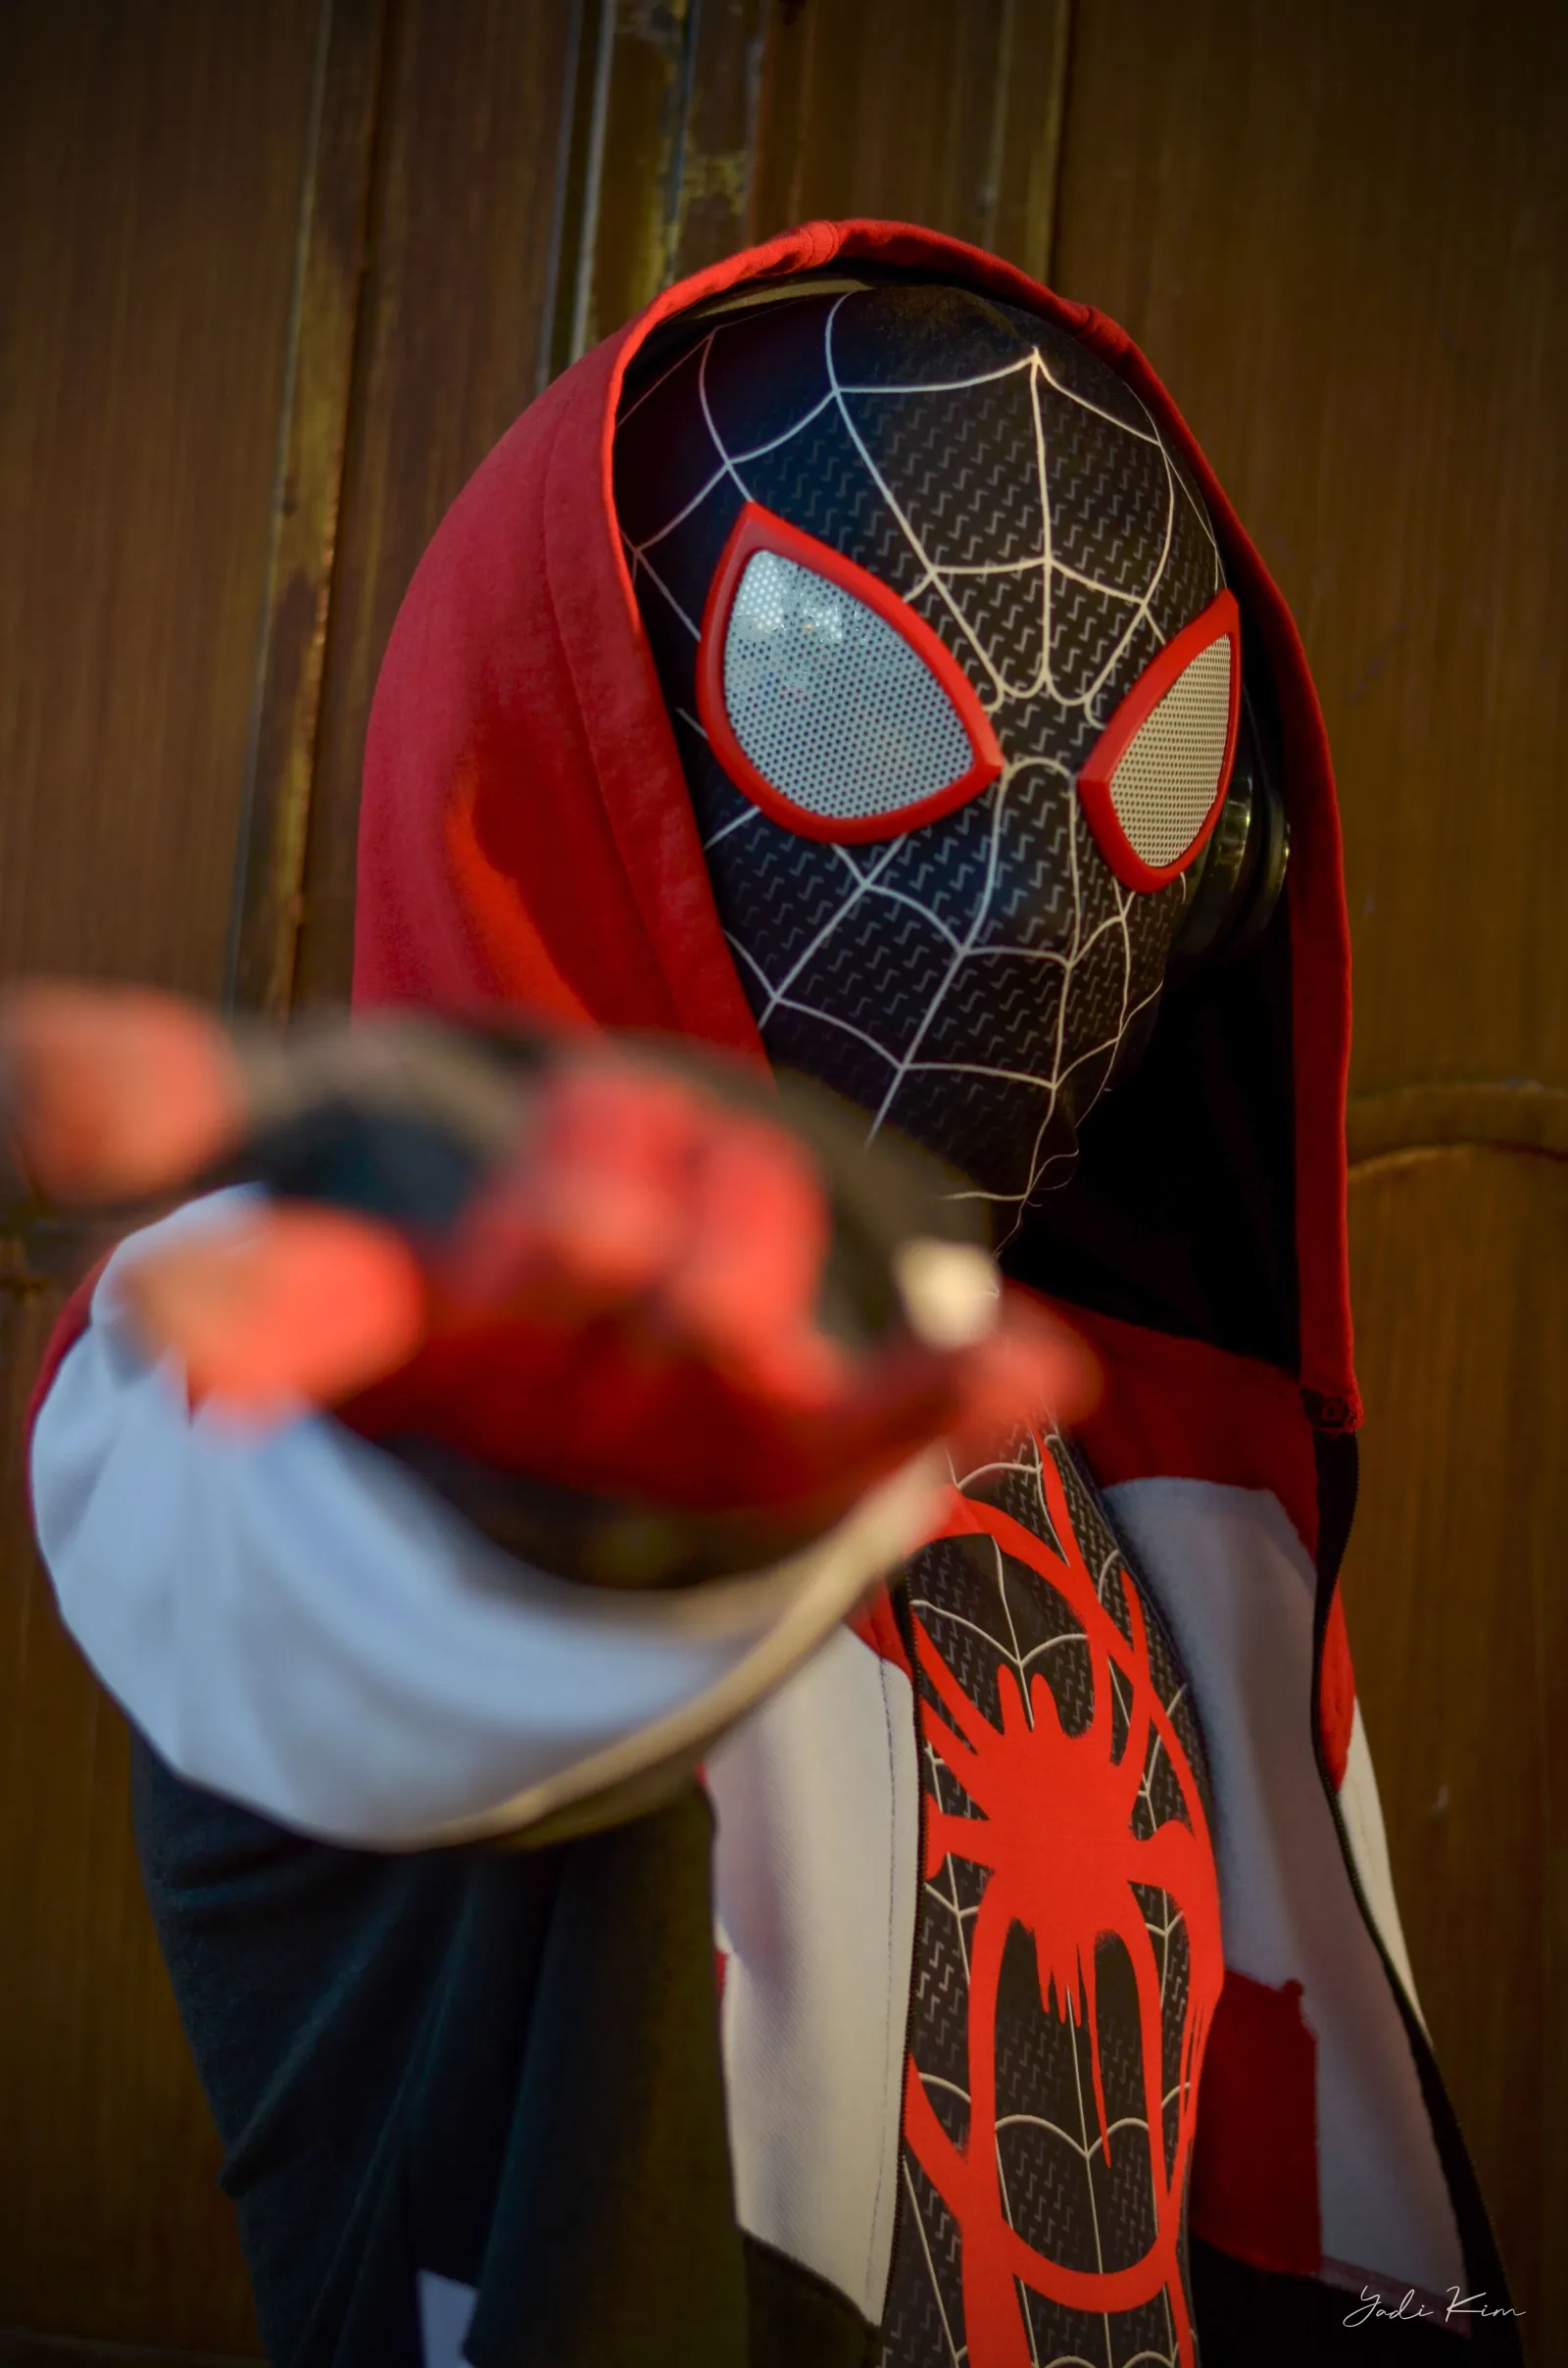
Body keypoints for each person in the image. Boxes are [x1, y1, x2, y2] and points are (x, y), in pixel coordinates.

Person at [16, 221, 1520, 2367]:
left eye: (1156, 772)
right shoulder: (325, 1353)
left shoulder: (1161, 1483)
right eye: (848, 702)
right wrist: (556, 1483)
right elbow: (324, 1593)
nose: (1030, 904)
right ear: (586, 748)